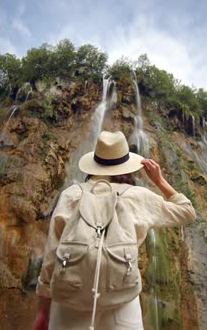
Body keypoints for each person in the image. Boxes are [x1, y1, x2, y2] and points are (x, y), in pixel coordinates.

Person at [33, 131, 196, 330]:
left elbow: (52, 253)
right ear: (126, 166)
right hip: (121, 299)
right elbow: (187, 212)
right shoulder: (137, 196)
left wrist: (43, 311)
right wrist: (159, 181)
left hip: (69, 300)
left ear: (94, 164)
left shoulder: (71, 194)